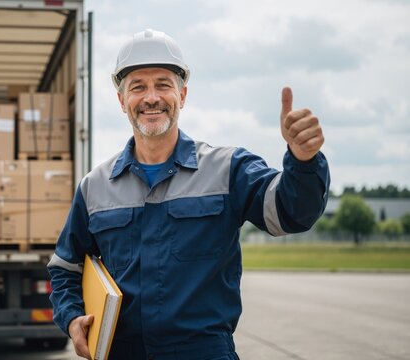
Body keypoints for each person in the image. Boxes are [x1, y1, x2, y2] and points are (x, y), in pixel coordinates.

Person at [47, 29, 330, 360]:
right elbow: (65, 269)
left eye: (163, 84)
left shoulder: (228, 169)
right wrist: (71, 317)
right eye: (138, 87)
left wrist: (303, 161)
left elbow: (291, 213)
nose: (151, 97)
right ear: (123, 101)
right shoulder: (95, 186)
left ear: (182, 95)